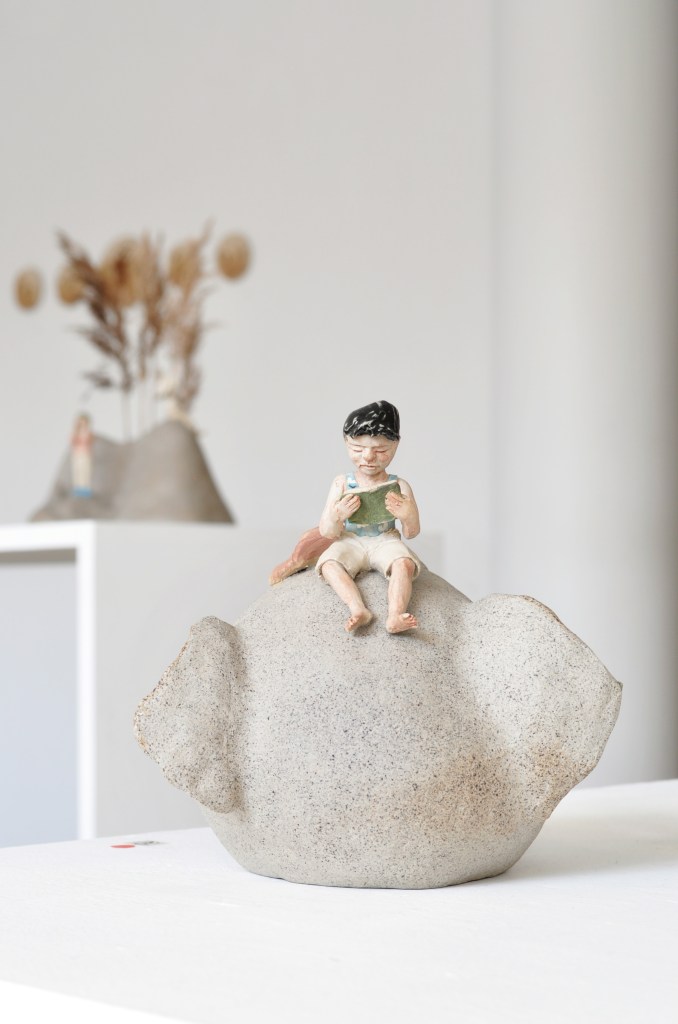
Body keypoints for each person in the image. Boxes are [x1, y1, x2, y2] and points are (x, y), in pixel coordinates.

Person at [317, 400, 421, 634]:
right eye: (357, 449)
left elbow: (411, 533)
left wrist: (407, 515)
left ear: (395, 445)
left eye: (380, 450)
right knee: (329, 564)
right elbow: (327, 532)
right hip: (351, 539)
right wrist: (337, 515)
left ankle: (395, 615)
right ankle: (358, 609)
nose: (368, 457)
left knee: (404, 563)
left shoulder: (399, 485)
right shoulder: (341, 483)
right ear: (346, 443)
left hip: (385, 539)